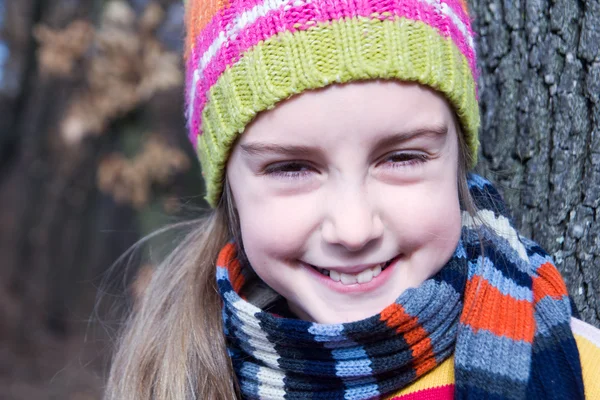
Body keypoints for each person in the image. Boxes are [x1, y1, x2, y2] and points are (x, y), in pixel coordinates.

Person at [105, 0, 600, 399]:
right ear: (229, 186)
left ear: (457, 158)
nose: (354, 228)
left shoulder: (574, 369)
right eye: (291, 167)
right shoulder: (177, 378)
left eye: (402, 158)